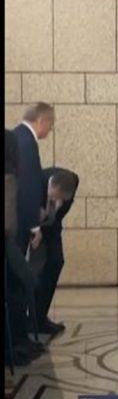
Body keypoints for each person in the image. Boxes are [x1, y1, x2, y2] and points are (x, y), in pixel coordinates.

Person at [4, 130, 44, 367]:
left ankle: (18, 341)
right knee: (20, 284)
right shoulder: (9, 178)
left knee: (20, 283)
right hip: (9, 241)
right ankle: (14, 346)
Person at [32, 168, 79, 335]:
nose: (56, 201)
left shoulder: (73, 181)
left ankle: (40, 318)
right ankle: (27, 320)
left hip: (52, 228)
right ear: (51, 185)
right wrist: (35, 226)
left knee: (56, 262)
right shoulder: (38, 180)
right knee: (32, 269)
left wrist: (52, 214)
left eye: (60, 199)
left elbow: (64, 208)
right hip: (31, 226)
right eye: (54, 196)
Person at [13, 102, 55, 254]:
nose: (51, 129)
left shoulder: (16, 136)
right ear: (41, 121)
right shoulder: (27, 144)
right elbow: (27, 186)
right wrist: (34, 225)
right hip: (18, 221)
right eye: (51, 123)